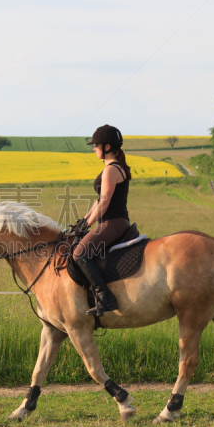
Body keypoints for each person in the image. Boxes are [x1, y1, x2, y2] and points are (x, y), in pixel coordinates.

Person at [73, 124, 132, 317]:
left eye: (96, 145)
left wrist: (88, 224)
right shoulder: (112, 167)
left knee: (79, 254)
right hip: (111, 221)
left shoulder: (111, 169)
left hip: (112, 222)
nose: (94, 148)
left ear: (107, 147)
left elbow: (104, 204)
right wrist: (84, 220)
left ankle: (104, 297)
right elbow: (98, 201)